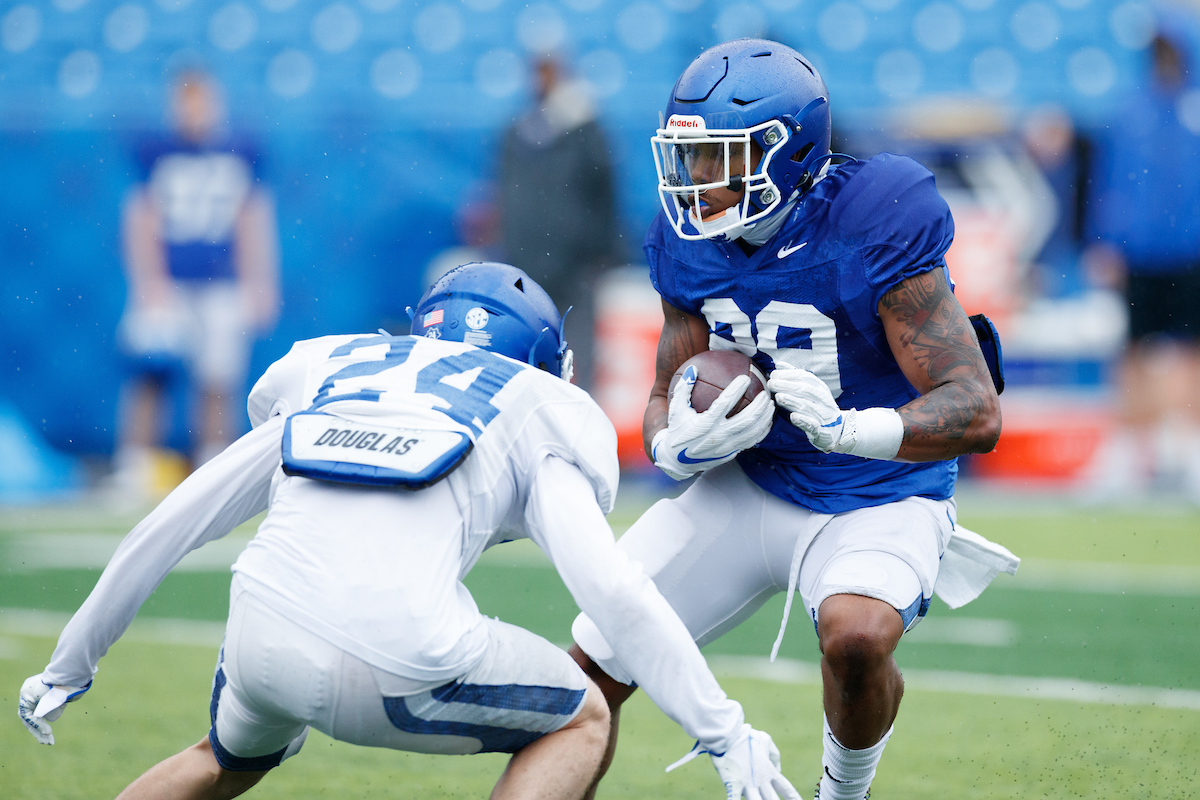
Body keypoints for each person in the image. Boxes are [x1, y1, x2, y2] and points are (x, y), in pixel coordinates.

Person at [18, 262, 799, 800]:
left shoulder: (334, 371)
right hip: (399, 659)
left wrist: (68, 663)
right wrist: (722, 731)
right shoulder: (532, 403)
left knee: (220, 760)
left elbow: (170, 523)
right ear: (539, 360)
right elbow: (614, 590)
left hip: (259, 634)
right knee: (585, 715)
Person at [567, 39, 1016, 800]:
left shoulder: (876, 215)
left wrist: (855, 430)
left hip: (879, 490)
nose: (696, 181)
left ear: (789, 154)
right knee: (584, 672)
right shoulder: (685, 238)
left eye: (718, 157)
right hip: (752, 484)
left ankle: (843, 792)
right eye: (689, 157)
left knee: (858, 638)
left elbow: (975, 407)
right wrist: (675, 446)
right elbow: (666, 389)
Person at [113, 68, 280, 495]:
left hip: (221, 281)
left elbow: (250, 217)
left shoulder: (239, 149)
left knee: (218, 376)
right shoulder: (157, 149)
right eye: (186, 101)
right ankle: (135, 463)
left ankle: (212, 461)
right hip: (169, 280)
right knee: (152, 371)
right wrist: (148, 279)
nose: (194, 111)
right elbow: (141, 216)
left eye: (200, 100)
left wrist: (259, 281)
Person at [1082, 24, 1200, 500]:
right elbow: (1113, 181)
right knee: (1130, 353)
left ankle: (1189, 450)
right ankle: (1129, 451)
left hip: (1191, 252)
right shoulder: (1132, 111)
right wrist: (1105, 241)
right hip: (1141, 254)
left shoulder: (1192, 109)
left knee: (1191, 353)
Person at [497, 54, 624, 392]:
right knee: (531, 355)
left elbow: (604, 194)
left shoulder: (586, 129)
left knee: (581, 355)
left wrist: (600, 253)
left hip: (575, 266)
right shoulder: (517, 130)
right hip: (528, 263)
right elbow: (508, 196)